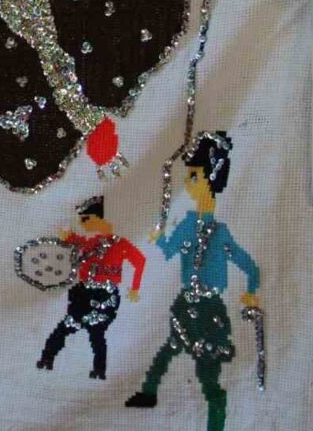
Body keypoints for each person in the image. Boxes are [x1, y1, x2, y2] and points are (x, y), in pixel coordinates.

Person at [125, 131, 260, 431]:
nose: (188, 183)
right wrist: (160, 239)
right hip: (189, 302)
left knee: (203, 366)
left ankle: (214, 412)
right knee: (170, 348)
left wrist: (252, 290)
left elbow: (248, 265)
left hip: (208, 308)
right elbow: (172, 252)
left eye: (194, 176)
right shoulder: (190, 225)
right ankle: (149, 392)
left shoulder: (216, 232)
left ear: (210, 178)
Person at [36, 195, 145, 379]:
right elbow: (75, 240)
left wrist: (135, 288)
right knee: (83, 331)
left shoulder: (118, 243)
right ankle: (50, 359)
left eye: (85, 219)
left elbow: (140, 261)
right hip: (86, 293)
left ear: (96, 219)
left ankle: (91, 368)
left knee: (90, 333)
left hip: (103, 296)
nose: (82, 224)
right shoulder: (93, 242)